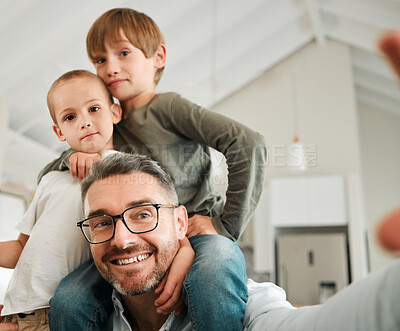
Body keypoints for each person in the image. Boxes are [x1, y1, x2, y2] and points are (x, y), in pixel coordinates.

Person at [42, 7, 265, 331]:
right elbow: (47, 174)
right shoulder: (103, 121)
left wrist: (225, 226)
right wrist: (74, 157)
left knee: (214, 272)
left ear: (157, 56)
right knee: (69, 299)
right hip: (132, 237)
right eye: (100, 60)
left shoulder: (168, 107)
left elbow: (249, 144)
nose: (111, 68)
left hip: (195, 231)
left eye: (123, 53)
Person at [80, 152, 400, 331]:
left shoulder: (237, 308)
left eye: (142, 214)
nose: (121, 240)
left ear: (180, 223)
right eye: (101, 222)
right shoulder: (84, 319)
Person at [0, 70, 193, 330]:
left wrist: (186, 250)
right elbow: (22, 248)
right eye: (70, 117)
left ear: (114, 113)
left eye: (94, 109)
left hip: (59, 310)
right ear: (59, 131)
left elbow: (162, 223)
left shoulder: (125, 175)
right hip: (16, 307)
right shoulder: (51, 180)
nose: (85, 122)